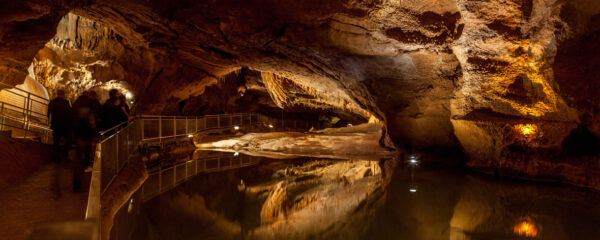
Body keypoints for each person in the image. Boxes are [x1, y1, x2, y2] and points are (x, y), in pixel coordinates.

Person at [72, 92, 97, 191]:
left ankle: (76, 183)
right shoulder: (88, 109)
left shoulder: (75, 107)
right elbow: (92, 123)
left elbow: (71, 120)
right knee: (83, 159)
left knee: (78, 158)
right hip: (86, 136)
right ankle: (80, 181)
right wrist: (94, 134)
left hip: (77, 136)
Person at [48, 89, 72, 162]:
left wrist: (51, 123)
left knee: (56, 142)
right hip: (65, 126)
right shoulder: (66, 103)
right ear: (63, 95)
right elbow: (69, 114)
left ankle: (55, 157)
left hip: (55, 125)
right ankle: (64, 156)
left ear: (57, 94)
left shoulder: (52, 102)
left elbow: (48, 114)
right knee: (67, 141)